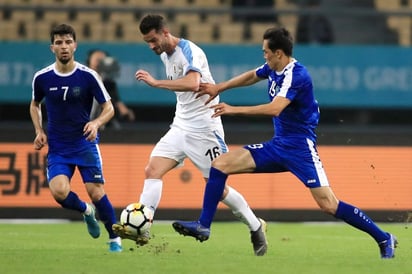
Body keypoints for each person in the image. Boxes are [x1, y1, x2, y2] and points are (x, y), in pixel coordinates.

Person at [172, 27, 398, 259]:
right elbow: (252, 75)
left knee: (329, 205)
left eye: (265, 52)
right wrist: (220, 87)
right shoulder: (273, 68)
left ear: (278, 53)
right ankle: (203, 225)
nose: (264, 56)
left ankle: (383, 237)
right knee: (220, 165)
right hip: (278, 146)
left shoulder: (296, 75)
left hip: (301, 149)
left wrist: (233, 109)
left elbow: (275, 108)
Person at [112, 14, 268, 256]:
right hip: (181, 125)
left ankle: (256, 225)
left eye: (153, 40)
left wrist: (156, 83)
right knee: (152, 170)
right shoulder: (165, 54)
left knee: (217, 187)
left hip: (205, 128)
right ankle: (143, 226)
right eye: (147, 43)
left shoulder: (190, 51)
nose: (152, 47)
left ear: (165, 32)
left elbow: (194, 83)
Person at [29, 23, 122, 252]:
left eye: (68, 42)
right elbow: (34, 104)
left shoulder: (88, 76)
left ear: (75, 46)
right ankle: (86, 211)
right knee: (59, 193)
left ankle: (114, 238)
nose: (64, 47)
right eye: (59, 42)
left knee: (96, 192)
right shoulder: (42, 78)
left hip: (84, 144)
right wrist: (39, 131)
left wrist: (96, 122)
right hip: (59, 147)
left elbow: (109, 107)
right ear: (52, 47)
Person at [87, 49, 135, 130]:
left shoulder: (109, 84)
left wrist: (126, 112)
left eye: (102, 60)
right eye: (97, 59)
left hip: (103, 125)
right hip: (84, 122)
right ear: (89, 62)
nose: (99, 63)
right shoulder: (82, 79)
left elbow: (119, 105)